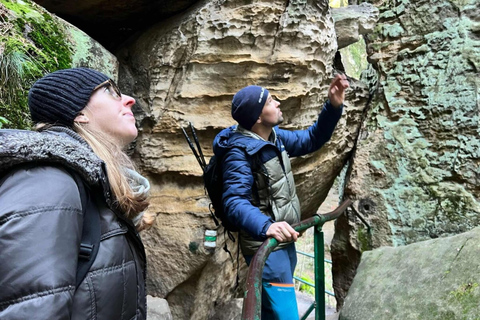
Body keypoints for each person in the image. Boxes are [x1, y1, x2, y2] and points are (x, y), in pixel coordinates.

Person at [0, 67, 156, 319]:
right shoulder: (48, 180)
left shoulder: (94, 184)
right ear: (79, 113)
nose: (130, 99)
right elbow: (31, 308)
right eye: (110, 91)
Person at [213, 75, 349, 319]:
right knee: (285, 315)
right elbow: (234, 201)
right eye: (269, 101)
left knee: (269, 313)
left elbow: (311, 139)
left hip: (284, 242)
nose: (277, 103)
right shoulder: (239, 152)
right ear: (257, 117)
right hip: (267, 247)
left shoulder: (273, 137)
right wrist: (268, 227)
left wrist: (333, 106)